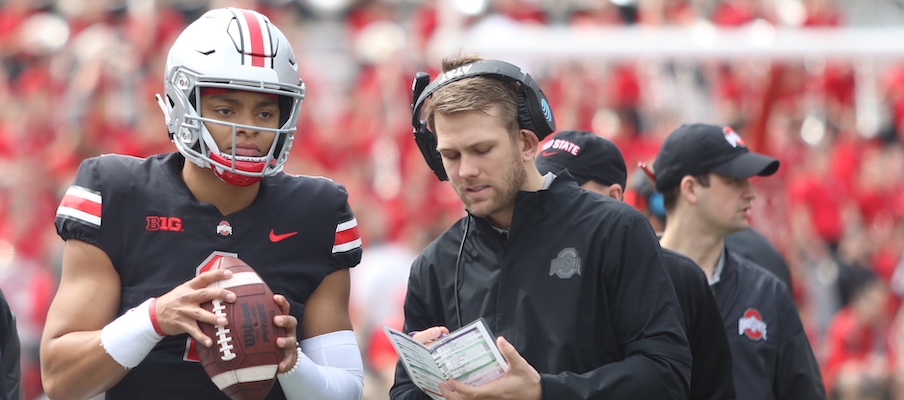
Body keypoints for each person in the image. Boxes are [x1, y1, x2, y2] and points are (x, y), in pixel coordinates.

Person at [40, 8, 364, 400]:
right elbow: (60, 380)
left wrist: (292, 364)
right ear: (184, 105)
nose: (248, 127)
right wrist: (154, 319)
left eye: (264, 111)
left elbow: (345, 392)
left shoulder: (317, 212)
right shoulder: (118, 192)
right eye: (225, 110)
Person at [391, 54, 691, 399]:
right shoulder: (434, 265)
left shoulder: (614, 230)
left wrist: (544, 392)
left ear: (527, 144)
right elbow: (401, 393)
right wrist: (427, 381)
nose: (465, 171)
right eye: (452, 155)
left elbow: (666, 374)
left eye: (482, 149)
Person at [535, 129, 735, 400]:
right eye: (542, 187)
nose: (550, 200)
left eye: (567, 189)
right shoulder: (527, 267)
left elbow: (710, 389)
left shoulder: (679, 276)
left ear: (614, 196)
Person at [653, 123, 825, 399]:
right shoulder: (632, 283)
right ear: (691, 189)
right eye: (734, 180)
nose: (751, 192)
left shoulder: (767, 292)